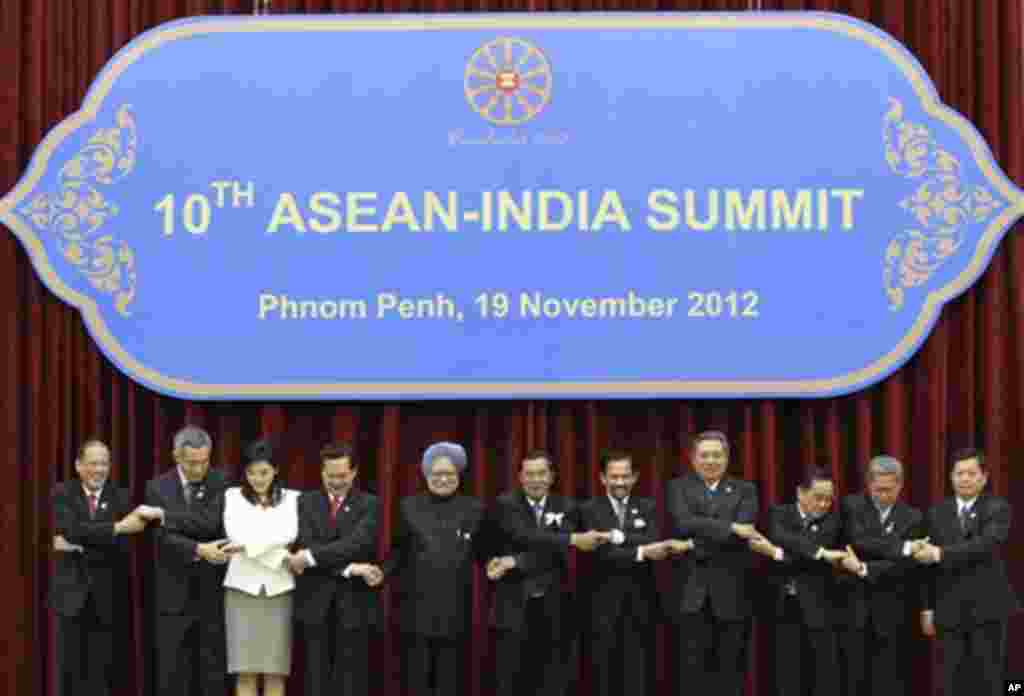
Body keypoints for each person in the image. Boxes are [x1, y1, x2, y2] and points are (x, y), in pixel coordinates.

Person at [377, 442, 489, 696]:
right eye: (436, 474)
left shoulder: (475, 509)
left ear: (459, 475)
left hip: (456, 611)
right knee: (417, 681)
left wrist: (495, 565)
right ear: (426, 475)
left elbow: (484, 554)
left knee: (451, 682)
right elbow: (398, 552)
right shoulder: (408, 507)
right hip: (416, 611)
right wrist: (382, 572)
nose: (442, 479)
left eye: (449, 474)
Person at [580, 450, 691, 696]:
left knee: (639, 673)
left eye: (625, 476)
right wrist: (640, 552)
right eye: (614, 476)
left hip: (641, 603)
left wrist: (616, 536)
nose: (620, 482)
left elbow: (653, 537)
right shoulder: (587, 509)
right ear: (602, 478)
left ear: (635, 477)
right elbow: (600, 553)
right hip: (600, 604)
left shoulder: (649, 506)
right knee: (602, 674)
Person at [50, 439, 151, 696]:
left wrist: (79, 541)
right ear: (78, 466)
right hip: (70, 597)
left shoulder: (122, 496)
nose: (99, 470)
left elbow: (78, 536)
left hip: (109, 597)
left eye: (104, 463)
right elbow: (70, 529)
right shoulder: (62, 493)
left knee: (105, 673)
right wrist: (115, 528)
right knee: (69, 671)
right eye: (93, 463)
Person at [915, 447, 1019, 696]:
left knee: (989, 678)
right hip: (948, 609)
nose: (964, 479)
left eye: (971, 473)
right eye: (959, 473)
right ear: (951, 477)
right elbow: (927, 569)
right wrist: (927, 607)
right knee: (946, 680)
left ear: (984, 478)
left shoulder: (998, 508)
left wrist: (940, 553)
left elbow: (985, 544)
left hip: (987, 609)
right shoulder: (935, 512)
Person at [663, 430, 760, 696]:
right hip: (690, 592)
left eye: (717, 455)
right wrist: (730, 526)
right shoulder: (678, 487)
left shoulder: (745, 490)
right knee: (692, 670)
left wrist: (695, 541)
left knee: (730, 670)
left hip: (732, 592)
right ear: (693, 459)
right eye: (704, 455)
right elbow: (683, 523)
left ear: (727, 458)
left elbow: (746, 533)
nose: (711, 461)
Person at [144, 425, 233, 696]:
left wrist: (167, 517)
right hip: (173, 592)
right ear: (176, 456)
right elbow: (162, 538)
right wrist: (199, 548)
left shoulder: (222, 481)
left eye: (204, 461)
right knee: (173, 671)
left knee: (213, 670)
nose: (199, 469)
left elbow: (213, 522)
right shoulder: (157, 487)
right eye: (192, 463)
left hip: (212, 592)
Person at [486, 450, 584, 696]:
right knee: (510, 679)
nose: (535, 479)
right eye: (529, 474)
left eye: (541, 473)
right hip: (513, 605)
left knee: (553, 679)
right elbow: (521, 536)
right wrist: (567, 540)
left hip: (555, 606)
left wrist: (515, 561)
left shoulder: (568, 506)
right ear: (520, 477)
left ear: (552, 476)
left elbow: (558, 553)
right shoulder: (504, 505)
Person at [287, 442, 381, 696]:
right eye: (330, 475)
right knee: (314, 677)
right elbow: (305, 541)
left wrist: (309, 556)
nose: (336, 482)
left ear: (353, 473)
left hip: (353, 606)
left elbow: (356, 544)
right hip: (313, 602)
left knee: (351, 678)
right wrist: (351, 569)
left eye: (342, 476)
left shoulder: (370, 504)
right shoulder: (304, 502)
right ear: (321, 472)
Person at [834, 455, 924, 696]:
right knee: (852, 675)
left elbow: (907, 566)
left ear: (900, 485)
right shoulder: (851, 506)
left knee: (889, 676)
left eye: (889, 490)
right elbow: (857, 540)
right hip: (854, 605)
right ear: (868, 484)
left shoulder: (914, 517)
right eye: (877, 489)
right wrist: (903, 547)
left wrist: (864, 568)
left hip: (893, 606)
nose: (883, 495)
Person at [222, 439, 300, 696]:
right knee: (245, 671)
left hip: (279, 591)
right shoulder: (232, 496)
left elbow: (288, 533)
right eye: (251, 473)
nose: (257, 478)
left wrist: (246, 547)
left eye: (264, 472)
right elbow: (236, 534)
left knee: (275, 671)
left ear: (276, 470)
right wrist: (279, 556)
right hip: (241, 590)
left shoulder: (292, 499)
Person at [758, 468, 845, 696]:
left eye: (829, 499)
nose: (825, 504)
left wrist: (777, 553)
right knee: (787, 672)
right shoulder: (778, 513)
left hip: (819, 606)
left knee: (824, 672)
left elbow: (798, 549)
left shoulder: (833, 522)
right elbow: (779, 535)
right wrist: (819, 552)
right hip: (781, 605)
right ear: (800, 493)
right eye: (819, 497)